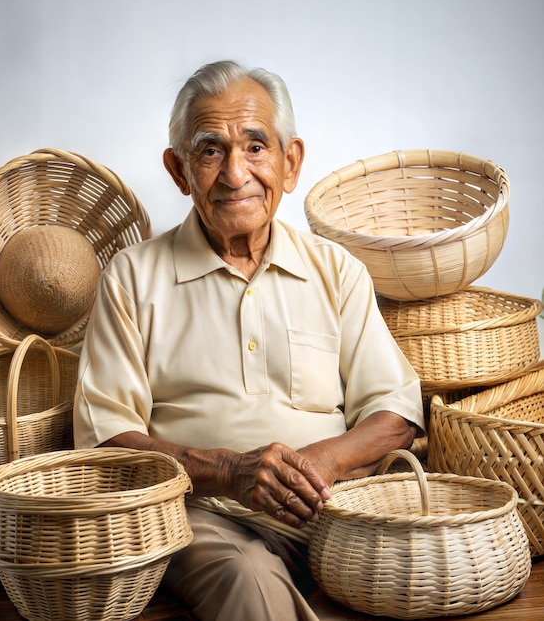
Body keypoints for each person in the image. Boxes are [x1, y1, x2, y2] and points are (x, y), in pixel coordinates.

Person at [73, 60, 424, 621]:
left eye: (256, 147)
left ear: (291, 164)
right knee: (248, 580)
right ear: (178, 170)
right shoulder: (132, 277)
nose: (236, 173)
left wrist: (318, 463)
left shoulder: (337, 270)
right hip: (202, 514)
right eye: (211, 150)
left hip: (332, 506)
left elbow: (397, 410)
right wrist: (229, 472)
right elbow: (104, 441)